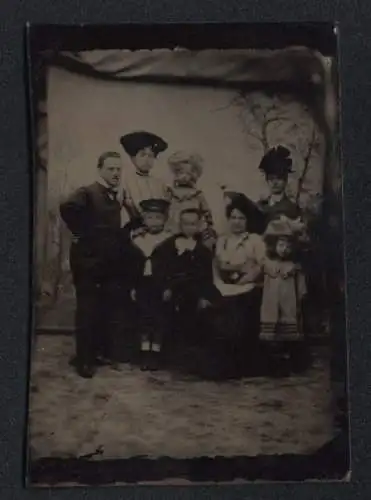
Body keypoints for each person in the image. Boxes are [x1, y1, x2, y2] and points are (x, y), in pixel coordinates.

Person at [59, 151, 127, 378]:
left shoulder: (113, 196)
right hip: (88, 261)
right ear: (100, 169)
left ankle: (93, 353)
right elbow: (67, 208)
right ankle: (84, 361)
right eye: (111, 169)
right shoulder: (87, 192)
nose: (116, 173)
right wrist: (83, 232)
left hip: (107, 262)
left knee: (102, 307)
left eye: (118, 169)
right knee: (87, 308)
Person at [205, 193, 266, 379]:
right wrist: (220, 286)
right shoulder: (222, 240)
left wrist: (246, 279)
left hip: (247, 287)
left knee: (239, 312)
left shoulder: (255, 240)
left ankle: (240, 365)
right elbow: (215, 266)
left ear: (247, 220)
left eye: (241, 218)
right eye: (233, 218)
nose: (237, 222)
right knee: (218, 314)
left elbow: (261, 265)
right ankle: (222, 365)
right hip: (224, 287)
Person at [153, 208, 217, 369]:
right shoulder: (168, 245)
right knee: (169, 320)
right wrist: (165, 287)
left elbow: (206, 276)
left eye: (193, 224)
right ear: (180, 225)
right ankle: (168, 358)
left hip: (193, 291)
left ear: (199, 225)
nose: (189, 227)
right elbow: (160, 268)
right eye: (185, 224)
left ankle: (190, 360)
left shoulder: (203, 250)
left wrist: (204, 296)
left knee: (193, 321)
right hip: (172, 290)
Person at [260, 217, 309, 376]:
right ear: (273, 246)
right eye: (281, 245)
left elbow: (301, 286)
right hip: (271, 304)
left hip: (289, 304)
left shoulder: (294, 267)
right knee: (272, 338)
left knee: (289, 335)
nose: (284, 249)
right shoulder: (268, 265)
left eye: (288, 245)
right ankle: (273, 364)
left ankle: (292, 362)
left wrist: (302, 295)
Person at [128, 198, 172, 371]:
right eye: (150, 217)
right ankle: (145, 353)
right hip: (142, 284)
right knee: (144, 318)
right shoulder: (138, 238)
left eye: (158, 217)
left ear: (164, 219)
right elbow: (132, 266)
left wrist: (168, 286)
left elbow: (171, 266)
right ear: (144, 219)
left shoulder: (168, 240)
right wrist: (133, 286)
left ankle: (156, 353)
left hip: (159, 285)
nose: (154, 221)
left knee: (159, 319)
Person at [119, 131, 170, 232]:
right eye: (142, 155)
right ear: (133, 158)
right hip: (136, 229)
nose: (147, 159)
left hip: (160, 229)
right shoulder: (126, 182)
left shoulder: (160, 183)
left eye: (150, 156)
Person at [166, 151, 216, 248]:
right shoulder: (170, 193)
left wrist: (208, 227)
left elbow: (206, 213)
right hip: (173, 230)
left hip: (193, 233)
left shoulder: (198, 195)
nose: (182, 177)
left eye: (186, 173)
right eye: (178, 172)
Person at [257, 145, 301, 222]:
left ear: (285, 180)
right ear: (267, 180)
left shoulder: (292, 209)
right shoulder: (259, 207)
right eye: (271, 178)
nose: (275, 182)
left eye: (279, 178)